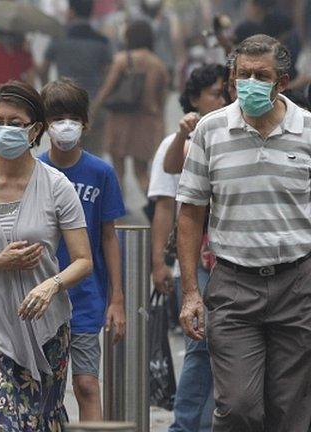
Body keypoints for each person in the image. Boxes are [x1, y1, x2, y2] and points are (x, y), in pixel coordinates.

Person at [0, 81, 93, 430]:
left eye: (15, 123)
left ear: (35, 129)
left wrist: (51, 285)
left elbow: (84, 260)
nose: (4, 129)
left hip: (46, 329)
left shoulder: (56, 186)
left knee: (40, 420)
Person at [177, 35, 311, 431]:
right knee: (239, 406)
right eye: (243, 75)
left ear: (282, 82)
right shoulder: (211, 130)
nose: (250, 83)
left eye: (261, 75)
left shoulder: (307, 131)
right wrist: (190, 293)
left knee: (290, 410)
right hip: (234, 286)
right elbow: (190, 213)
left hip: (297, 284)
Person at [38, 78, 126, 422]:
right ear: (44, 125)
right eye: (57, 118)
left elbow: (108, 237)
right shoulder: (35, 171)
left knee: (87, 384)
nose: (65, 125)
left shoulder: (101, 172)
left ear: (85, 123)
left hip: (87, 298)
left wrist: (116, 299)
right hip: (42, 297)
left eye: (72, 118)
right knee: (45, 388)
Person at [149, 64, 227, 432]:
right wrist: (159, 264)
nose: (223, 99)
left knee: (224, 347)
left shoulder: (234, 133)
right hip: (196, 257)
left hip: (231, 256)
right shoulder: (180, 140)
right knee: (199, 345)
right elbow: (166, 203)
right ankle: (184, 425)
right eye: (215, 92)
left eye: (226, 92)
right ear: (194, 98)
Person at [93, 20, 169, 194]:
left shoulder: (121, 60)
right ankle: (156, 211)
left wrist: (91, 113)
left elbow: (106, 91)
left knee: (118, 174)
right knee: (141, 174)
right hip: (146, 123)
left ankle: (118, 214)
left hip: (120, 120)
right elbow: (161, 103)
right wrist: (161, 131)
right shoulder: (158, 65)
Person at [40, 0, 113, 155]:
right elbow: (109, 75)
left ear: (71, 12)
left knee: (63, 154)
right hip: (93, 105)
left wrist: (49, 92)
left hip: (63, 104)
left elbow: (43, 68)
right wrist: (100, 101)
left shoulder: (58, 37)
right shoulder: (102, 41)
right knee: (93, 156)